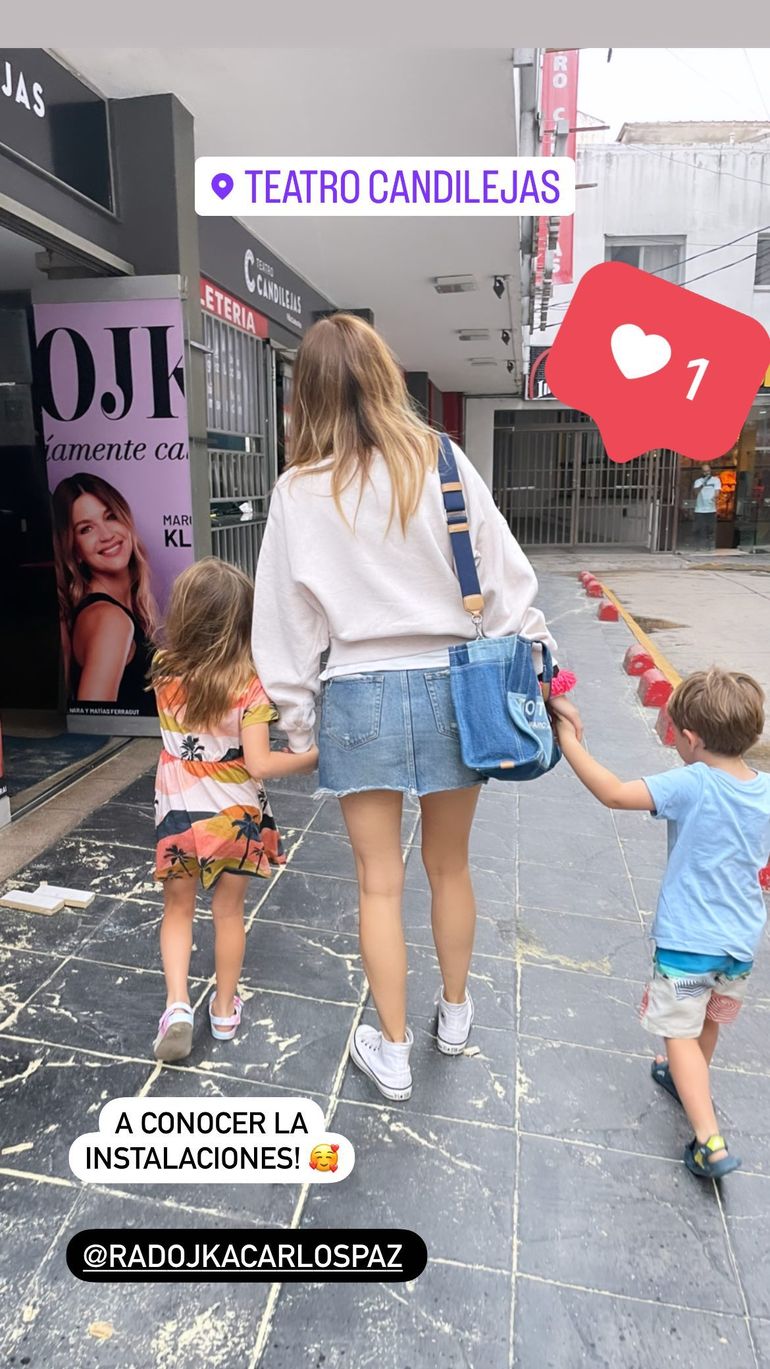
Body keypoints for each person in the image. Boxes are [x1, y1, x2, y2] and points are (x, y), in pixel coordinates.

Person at [252, 313, 581, 1102]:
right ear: (387, 377)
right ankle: (456, 1015)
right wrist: (543, 663)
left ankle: (392, 1049)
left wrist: (296, 719)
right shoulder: (440, 459)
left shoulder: (299, 491)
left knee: (376, 882)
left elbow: (284, 621)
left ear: (308, 396)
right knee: (450, 865)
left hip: (357, 690)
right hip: (454, 687)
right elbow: (506, 579)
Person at [555, 668, 770, 1179]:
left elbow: (613, 793)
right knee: (707, 1022)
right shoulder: (766, 790)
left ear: (691, 739)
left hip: (689, 946)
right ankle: (683, 1079)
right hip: (740, 947)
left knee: (677, 1029)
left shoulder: (693, 781)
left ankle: (709, 1142)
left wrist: (568, 742)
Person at [149, 558, 318, 1063]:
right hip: (235, 819)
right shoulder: (249, 687)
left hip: (177, 813)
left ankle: (178, 1005)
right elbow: (261, 763)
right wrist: (316, 756)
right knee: (228, 912)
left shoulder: (163, 670)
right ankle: (223, 1009)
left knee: (177, 909)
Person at [51, 474, 157, 713]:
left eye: (110, 516)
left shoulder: (115, 610)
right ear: (74, 550)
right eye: (86, 529)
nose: (106, 534)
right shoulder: (110, 619)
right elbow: (95, 720)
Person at [692, 463, 722, 551]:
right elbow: (696, 492)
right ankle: (700, 546)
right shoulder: (698, 481)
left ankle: (709, 546)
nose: (707, 473)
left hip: (711, 508)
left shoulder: (716, 480)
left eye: (708, 471)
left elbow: (717, 492)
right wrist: (703, 483)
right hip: (700, 509)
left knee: (711, 528)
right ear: (702, 472)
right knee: (701, 528)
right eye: (705, 471)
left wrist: (714, 497)